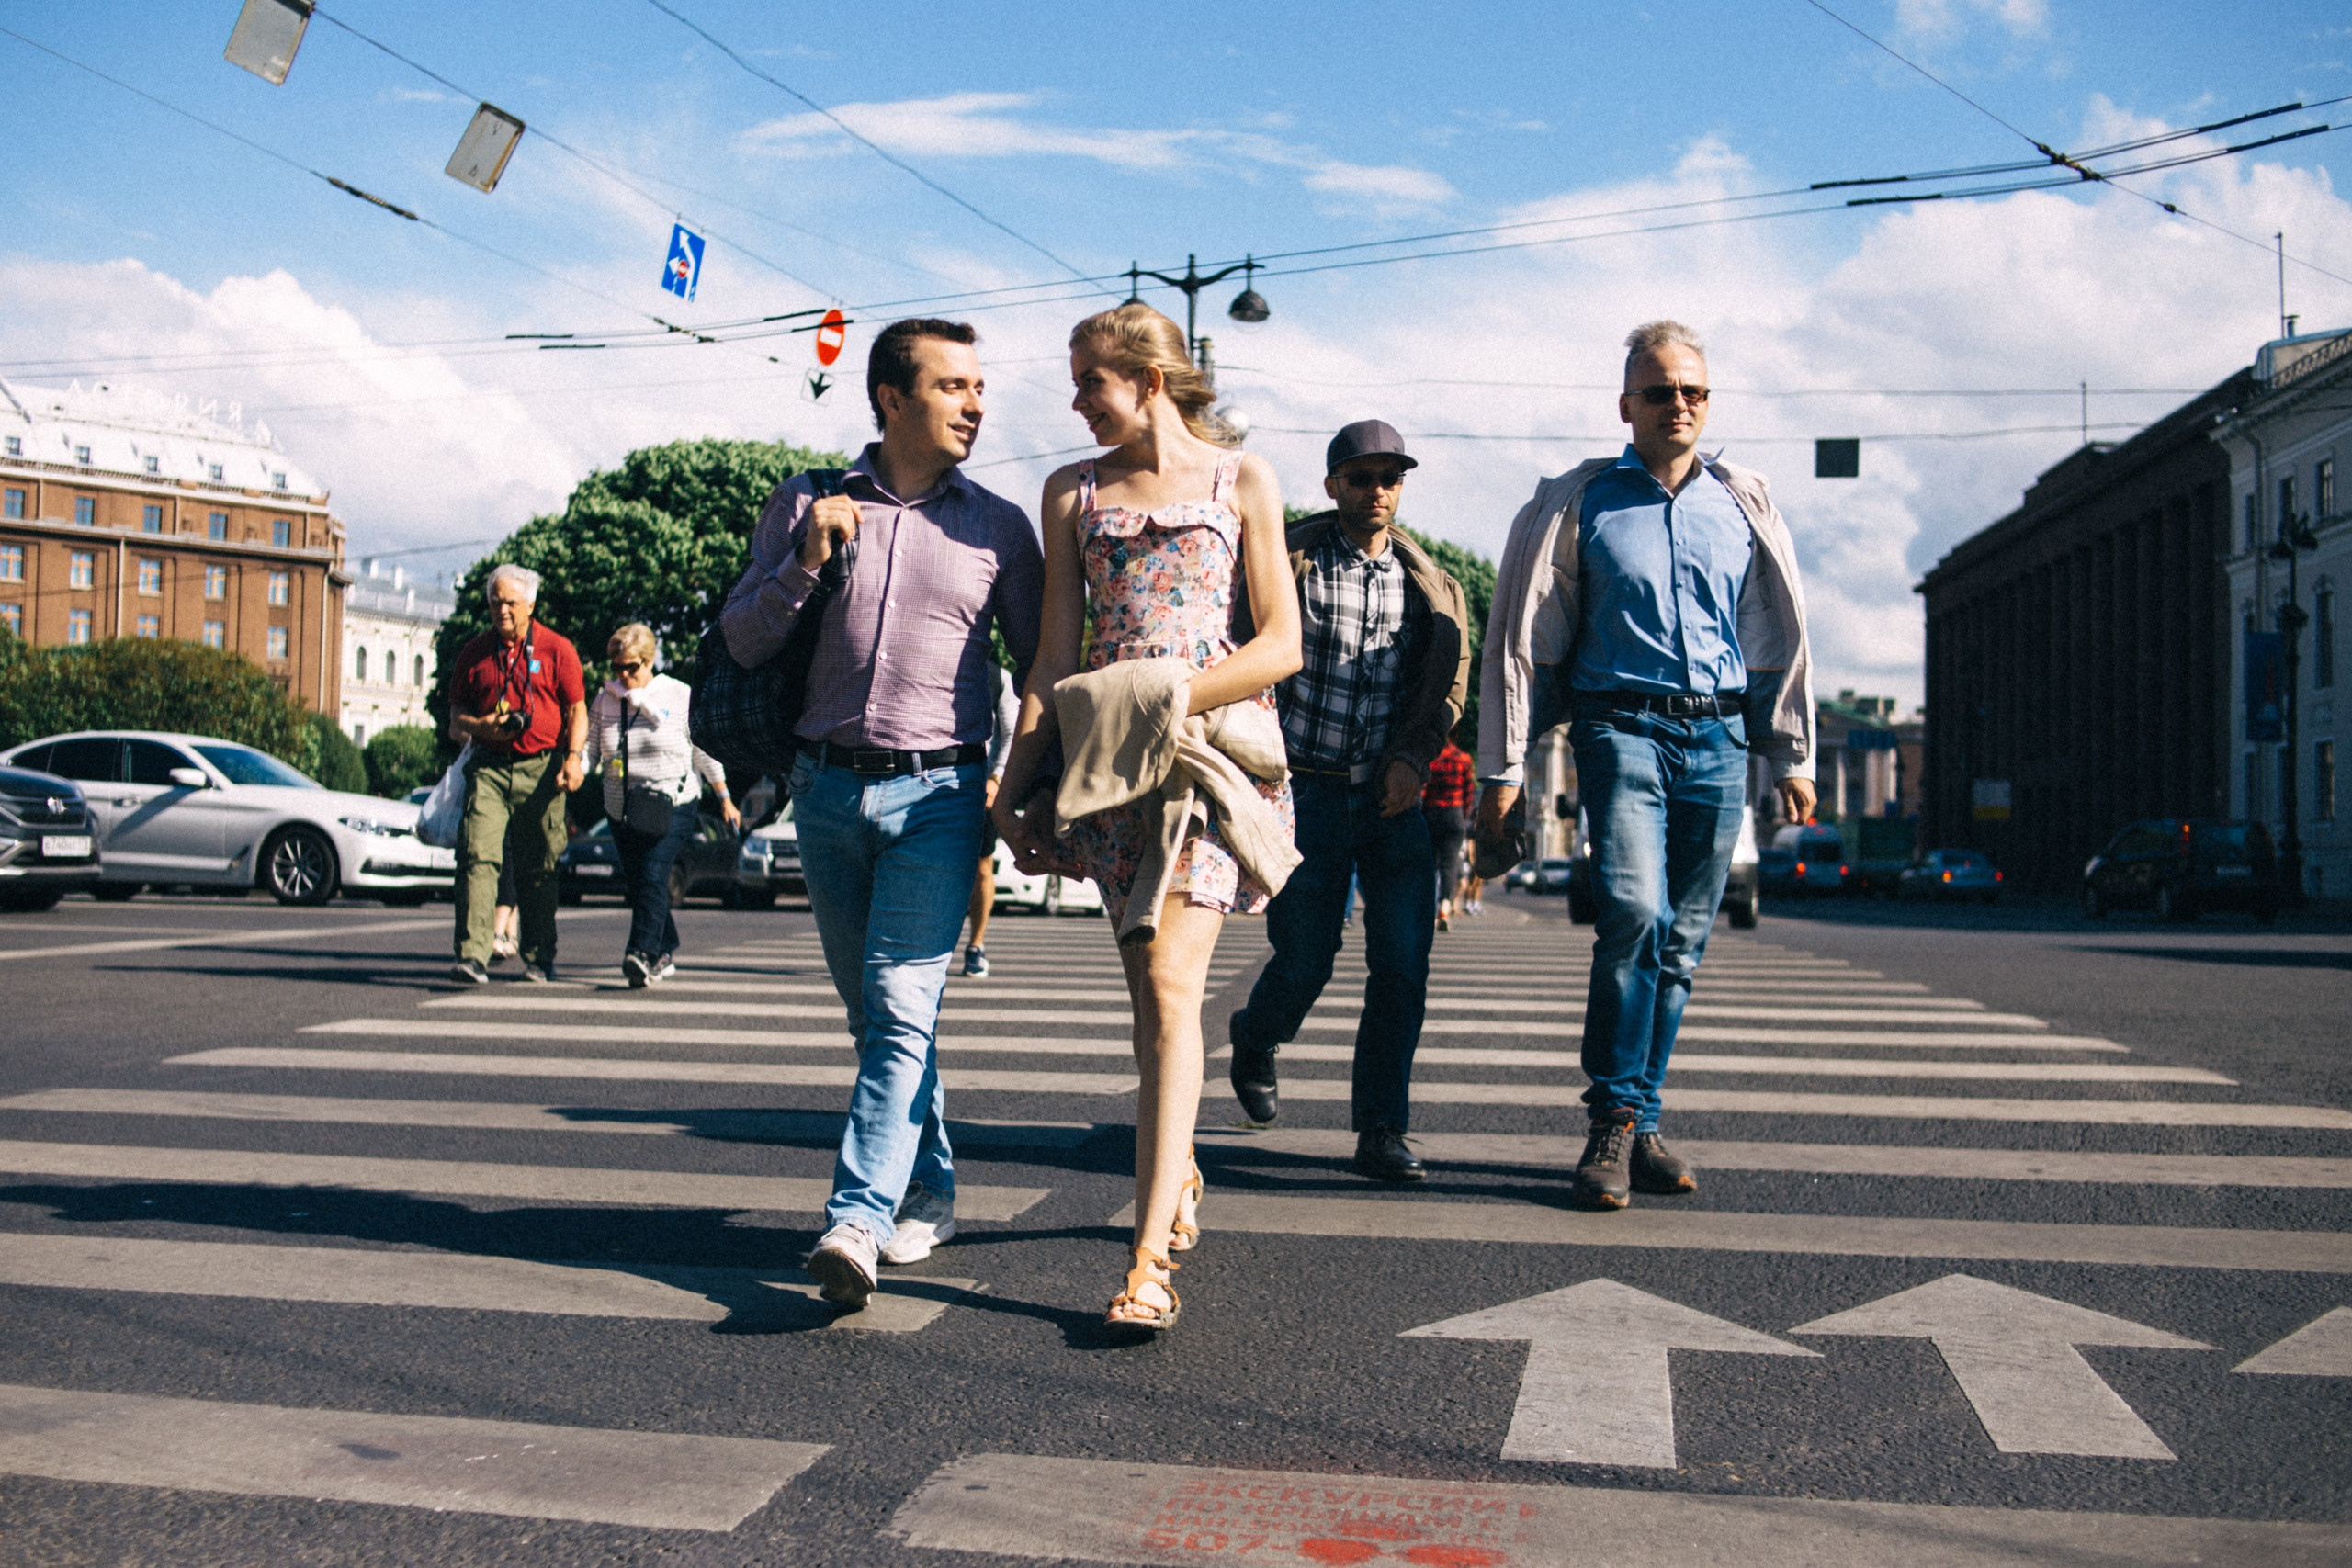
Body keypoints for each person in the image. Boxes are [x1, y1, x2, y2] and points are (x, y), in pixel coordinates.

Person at [720, 317, 1043, 1309]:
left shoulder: (999, 527)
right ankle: (930, 1186)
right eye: (953, 387)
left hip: (943, 796)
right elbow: (739, 639)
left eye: (979, 387)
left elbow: (1041, 671)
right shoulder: (806, 503)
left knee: (904, 1008)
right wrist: (803, 560)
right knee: (879, 1019)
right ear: (892, 400)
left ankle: (855, 1218)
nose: (976, 404)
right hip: (824, 792)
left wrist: (1021, 789)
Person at [996, 301, 1300, 1332]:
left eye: (1091, 381)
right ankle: (1177, 1175)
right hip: (1112, 772)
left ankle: (1143, 1265)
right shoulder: (1071, 494)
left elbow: (1279, 646)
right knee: (1149, 1009)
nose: (1076, 401)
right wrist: (1013, 786)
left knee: (1173, 986)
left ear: (1150, 382)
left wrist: (1173, 695)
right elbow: (1051, 657)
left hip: (1212, 764)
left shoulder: (1240, 478)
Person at [1476, 320, 1816, 1210]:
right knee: (1633, 911)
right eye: (1660, 392)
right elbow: (1519, 639)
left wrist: (1789, 750)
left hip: (1718, 739)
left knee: (1686, 940)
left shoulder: (1741, 502)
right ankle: (1615, 1120)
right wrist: (1502, 770)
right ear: (1625, 405)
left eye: (1693, 392)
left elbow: (1777, 636)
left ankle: (1641, 1116)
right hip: (1618, 726)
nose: (1678, 406)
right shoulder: (1578, 501)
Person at [1224, 420, 1470, 1182]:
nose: (1378, 490)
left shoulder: (1431, 581)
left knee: (1403, 965)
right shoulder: (1286, 559)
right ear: (1333, 484)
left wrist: (1413, 755)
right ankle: (1256, 1034)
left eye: (1391, 476)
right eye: (1361, 476)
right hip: (1304, 797)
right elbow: (1234, 647)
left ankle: (1382, 1130)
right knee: (1306, 957)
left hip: (1392, 799)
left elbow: (1447, 690)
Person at [446, 562, 588, 985]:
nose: (502, 610)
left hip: (543, 768)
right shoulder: (474, 653)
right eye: (495, 603)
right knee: (477, 856)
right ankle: (473, 955)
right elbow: (455, 722)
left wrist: (574, 757)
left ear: (531, 604)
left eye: (510, 602)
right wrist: (480, 727)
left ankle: (540, 956)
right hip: (489, 767)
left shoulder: (557, 648)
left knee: (539, 864)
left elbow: (576, 709)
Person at [583, 622, 736, 987]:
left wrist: (724, 796)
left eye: (631, 667)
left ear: (649, 661)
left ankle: (640, 953)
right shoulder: (606, 700)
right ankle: (665, 948)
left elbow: (703, 749)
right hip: (620, 807)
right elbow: (590, 752)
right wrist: (573, 770)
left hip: (674, 802)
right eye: (617, 667)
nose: (624, 675)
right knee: (639, 882)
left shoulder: (678, 695)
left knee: (653, 874)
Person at [962, 660, 1022, 978]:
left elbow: (1012, 734)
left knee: (982, 868)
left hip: (981, 788)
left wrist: (996, 779)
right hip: (936, 783)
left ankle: (976, 945)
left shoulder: (998, 677)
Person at [1423, 728, 1477, 931]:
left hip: (1431, 813)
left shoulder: (1431, 759)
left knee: (1429, 863)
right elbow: (1469, 793)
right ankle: (1445, 907)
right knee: (1450, 865)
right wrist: (1463, 815)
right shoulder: (1464, 759)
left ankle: (1426, 908)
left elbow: (1424, 789)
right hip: (1454, 815)